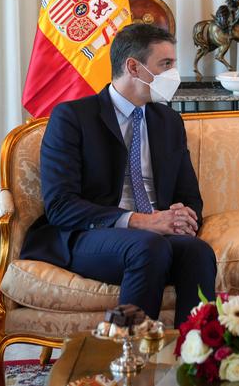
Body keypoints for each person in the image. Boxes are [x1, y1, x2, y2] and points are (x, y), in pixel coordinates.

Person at [20, 23, 217, 324]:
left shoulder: (169, 122)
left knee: (198, 252)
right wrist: (141, 222)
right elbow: (60, 205)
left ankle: (195, 357)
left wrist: (182, 216)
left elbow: (189, 195)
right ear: (134, 67)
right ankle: (129, 359)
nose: (172, 74)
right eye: (165, 64)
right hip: (89, 235)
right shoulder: (72, 118)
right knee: (148, 246)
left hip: (155, 235)